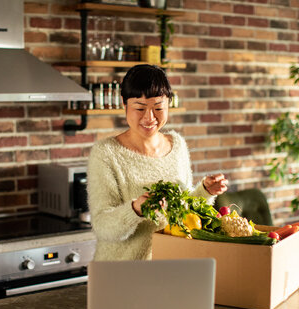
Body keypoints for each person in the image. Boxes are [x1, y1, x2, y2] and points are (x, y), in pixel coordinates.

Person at [87, 64, 228, 261]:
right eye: (140, 108)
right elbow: (103, 227)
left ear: (168, 104)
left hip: (170, 268)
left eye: (158, 108)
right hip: (121, 273)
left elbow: (184, 213)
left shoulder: (177, 145)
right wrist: (136, 209)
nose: (149, 117)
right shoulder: (106, 153)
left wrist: (205, 191)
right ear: (124, 104)